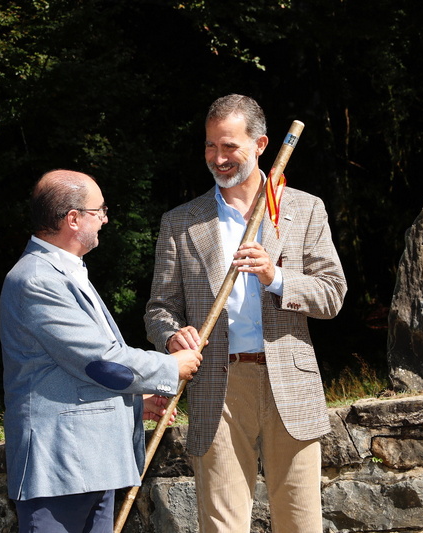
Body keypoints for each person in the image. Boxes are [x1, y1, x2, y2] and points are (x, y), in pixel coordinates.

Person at [144, 94, 347, 532]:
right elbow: (159, 310)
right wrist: (171, 336)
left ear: (260, 145)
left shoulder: (304, 209)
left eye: (229, 146)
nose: (218, 158)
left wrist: (276, 277)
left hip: (288, 383)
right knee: (221, 524)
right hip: (217, 384)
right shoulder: (180, 222)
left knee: (300, 522)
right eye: (210, 146)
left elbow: (332, 295)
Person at [0, 169, 203, 533]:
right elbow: (99, 362)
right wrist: (170, 367)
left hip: (90, 465)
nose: (106, 218)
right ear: (73, 219)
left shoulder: (65, 272)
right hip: (60, 470)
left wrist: (134, 405)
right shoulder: (36, 279)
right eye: (100, 210)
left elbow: (66, 376)